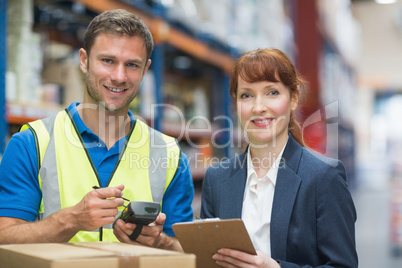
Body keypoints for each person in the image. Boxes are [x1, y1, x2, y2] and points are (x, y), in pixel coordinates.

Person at [0, 9, 193, 251]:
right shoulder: (32, 143)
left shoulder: (169, 154)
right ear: (84, 60)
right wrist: (69, 220)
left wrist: (160, 241)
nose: (119, 76)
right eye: (108, 61)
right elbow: (4, 238)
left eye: (132, 65)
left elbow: (188, 250)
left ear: (145, 70)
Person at [200, 48, 358, 267]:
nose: (258, 107)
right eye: (246, 95)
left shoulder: (323, 178)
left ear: (293, 98)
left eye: (272, 92)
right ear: (236, 104)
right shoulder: (217, 179)